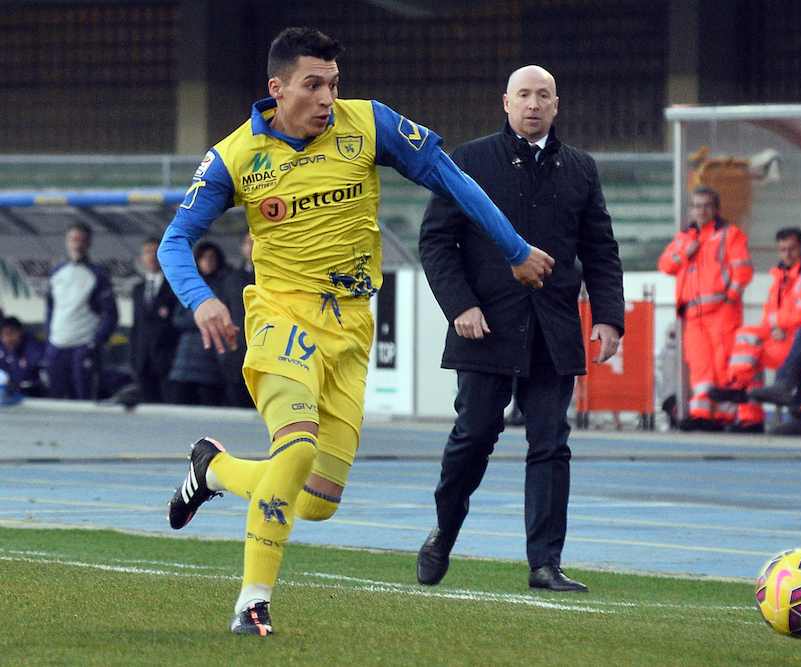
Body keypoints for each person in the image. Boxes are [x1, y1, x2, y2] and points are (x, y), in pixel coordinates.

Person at [158, 27, 552, 636]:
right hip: (281, 316)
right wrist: (202, 300)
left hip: (351, 323)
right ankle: (252, 603)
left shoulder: (368, 124)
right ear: (277, 88)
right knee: (295, 449)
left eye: (334, 85)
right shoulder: (235, 156)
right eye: (313, 85)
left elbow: (449, 177)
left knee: (316, 501)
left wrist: (515, 248)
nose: (326, 98)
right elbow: (175, 240)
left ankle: (213, 470)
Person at [417, 65, 623, 593]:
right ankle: (444, 531)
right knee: (474, 436)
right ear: (505, 103)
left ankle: (545, 564)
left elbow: (600, 249)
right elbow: (437, 242)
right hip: (484, 326)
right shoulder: (469, 160)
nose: (533, 104)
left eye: (543, 96)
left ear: (556, 105)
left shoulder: (581, 168)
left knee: (551, 443)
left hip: (554, 328)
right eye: (524, 95)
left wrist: (608, 316)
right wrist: (460, 306)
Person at [707, 227, 801, 432]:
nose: (787, 254)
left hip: (800, 344)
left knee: (750, 343)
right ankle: (748, 413)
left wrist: (777, 323)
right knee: (748, 347)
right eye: (783, 250)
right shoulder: (780, 277)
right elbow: (768, 313)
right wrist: (775, 326)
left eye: (792, 249)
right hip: (782, 339)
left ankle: (739, 391)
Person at [658, 186, 753, 431]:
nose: (702, 211)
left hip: (722, 310)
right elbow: (666, 264)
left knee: (723, 365)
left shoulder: (730, 234)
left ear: (716, 209)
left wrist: (731, 298)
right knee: (700, 367)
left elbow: (742, 269)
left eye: (707, 206)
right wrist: (684, 254)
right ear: (691, 209)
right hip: (693, 314)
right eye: (698, 206)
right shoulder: (685, 238)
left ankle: (722, 415)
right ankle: (700, 414)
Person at [44, 222, 118, 400]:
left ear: (88, 243)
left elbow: (111, 314)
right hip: (57, 345)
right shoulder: (57, 272)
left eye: (82, 240)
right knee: (56, 398)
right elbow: (50, 308)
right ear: (67, 242)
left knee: (84, 398)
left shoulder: (98, 275)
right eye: (74, 239)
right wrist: (49, 335)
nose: (77, 244)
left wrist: (94, 342)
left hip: (83, 345)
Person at [166, 241, 231, 406]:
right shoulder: (190, 286)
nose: (208, 261)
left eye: (212, 257)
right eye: (203, 257)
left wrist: (199, 316)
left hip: (212, 362)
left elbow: (224, 318)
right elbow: (177, 319)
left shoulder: (226, 285)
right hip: (184, 362)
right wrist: (205, 319)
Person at [130, 236, 180, 404]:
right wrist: (134, 358)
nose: (152, 256)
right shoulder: (138, 290)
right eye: (148, 252)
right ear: (142, 257)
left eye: (156, 252)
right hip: (143, 362)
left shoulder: (174, 287)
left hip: (167, 361)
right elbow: (136, 327)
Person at [220, 231, 255, 407]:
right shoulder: (231, 279)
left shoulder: (278, 278)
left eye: (257, 241)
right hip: (236, 355)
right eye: (249, 242)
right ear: (242, 247)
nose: (253, 246)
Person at [0, 316, 46, 402]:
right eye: (4, 335)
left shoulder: (34, 349)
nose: (8, 339)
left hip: (36, 398)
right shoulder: (3, 349)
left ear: (21, 331)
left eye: (11, 333)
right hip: (11, 398)